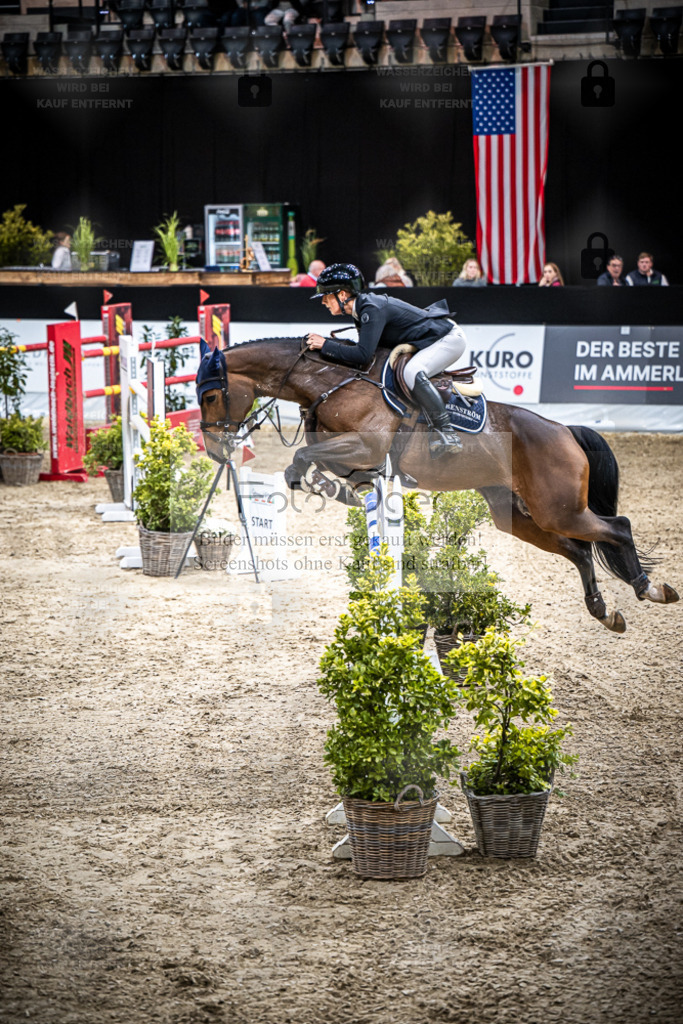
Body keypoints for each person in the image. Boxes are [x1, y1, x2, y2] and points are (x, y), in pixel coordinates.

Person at [306, 262, 466, 456]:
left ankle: (446, 431)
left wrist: (326, 345)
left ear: (342, 295)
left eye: (326, 296)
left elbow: (363, 356)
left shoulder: (370, 309)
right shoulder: (361, 309)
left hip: (448, 338)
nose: (323, 302)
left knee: (412, 372)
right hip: (430, 338)